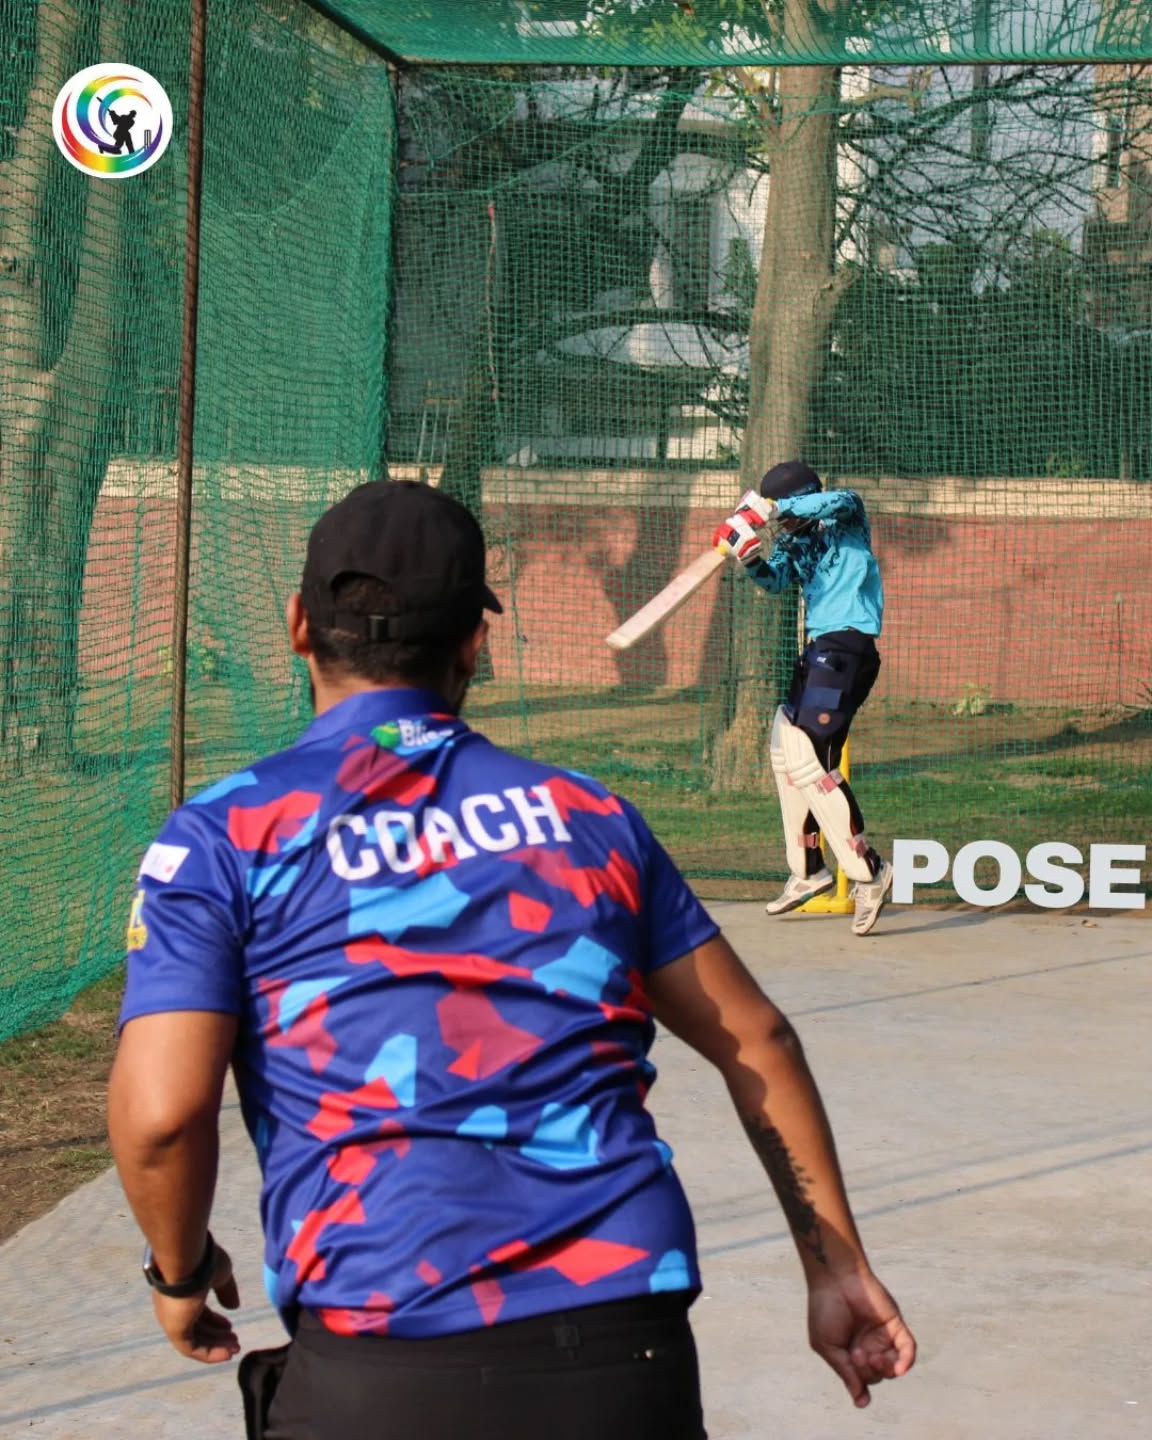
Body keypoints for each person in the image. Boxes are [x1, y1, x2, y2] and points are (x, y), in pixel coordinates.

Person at [109, 479, 915, 1440]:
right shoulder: (590, 816)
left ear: (298, 627)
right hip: (624, 1355)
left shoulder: (222, 835)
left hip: (381, 1360)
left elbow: (162, 1117)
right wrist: (835, 1268)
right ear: (474, 644)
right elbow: (758, 1041)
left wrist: (180, 1273)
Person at [713, 461, 892, 936]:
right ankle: (808, 870)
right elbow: (776, 581)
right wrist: (749, 557)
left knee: (809, 756)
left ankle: (869, 871)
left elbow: (834, 502)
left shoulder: (846, 515)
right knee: (784, 747)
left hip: (848, 645)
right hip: (817, 649)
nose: (784, 526)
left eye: (787, 512)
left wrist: (769, 511)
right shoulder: (796, 541)